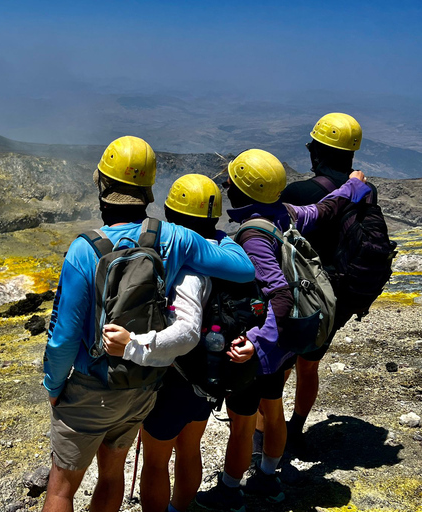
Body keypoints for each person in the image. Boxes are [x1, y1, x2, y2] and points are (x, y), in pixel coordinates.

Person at [41, 136, 256, 512]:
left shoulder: (84, 249)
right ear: (148, 191)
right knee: (111, 476)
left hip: (90, 387)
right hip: (141, 385)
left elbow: (63, 337)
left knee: (61, 491)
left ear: (104, 187)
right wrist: (223, 236)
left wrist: (54, 386)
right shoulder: (175, 238)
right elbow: (242, 269)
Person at [195, 149, 370, 512]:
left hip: (263, 343)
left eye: (232, 182)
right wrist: (352, 187)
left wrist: (255, 345)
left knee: (243, 425)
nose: (227, 185)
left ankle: (230, 492)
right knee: (273, 409)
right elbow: (324, 209)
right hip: (286, 341)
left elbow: (279, 297)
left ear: (240, 191)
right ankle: (269, 479)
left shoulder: (252, 236)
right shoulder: (285, 214)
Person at [101, 174, 234, 512]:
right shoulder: (220, 253)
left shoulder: (189, 267)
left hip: (177, 377)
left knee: (157, 463)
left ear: (172, 216)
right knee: (190, 450)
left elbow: (187, 331)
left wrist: (133, 345)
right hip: (208, 373)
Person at [278, 112, 368, 454]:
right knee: (309, 364)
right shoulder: (362, 190)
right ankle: (296, 428)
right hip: (339, 295)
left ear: (316, 151)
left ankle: (265, 431)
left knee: (282, 361)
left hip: (301, 293)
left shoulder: (300, 192)